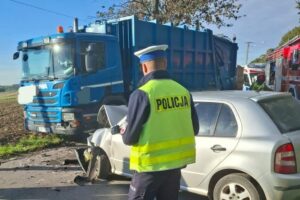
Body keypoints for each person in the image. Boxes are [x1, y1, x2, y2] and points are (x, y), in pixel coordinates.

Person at [121, 44, 199, 200]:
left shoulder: (142, 94)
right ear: (165, 63)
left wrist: (124, 130)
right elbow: (194, 129)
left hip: (149, 168)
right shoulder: (183, 91)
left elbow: (129, 138)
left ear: (144, 67)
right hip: (175, 167)